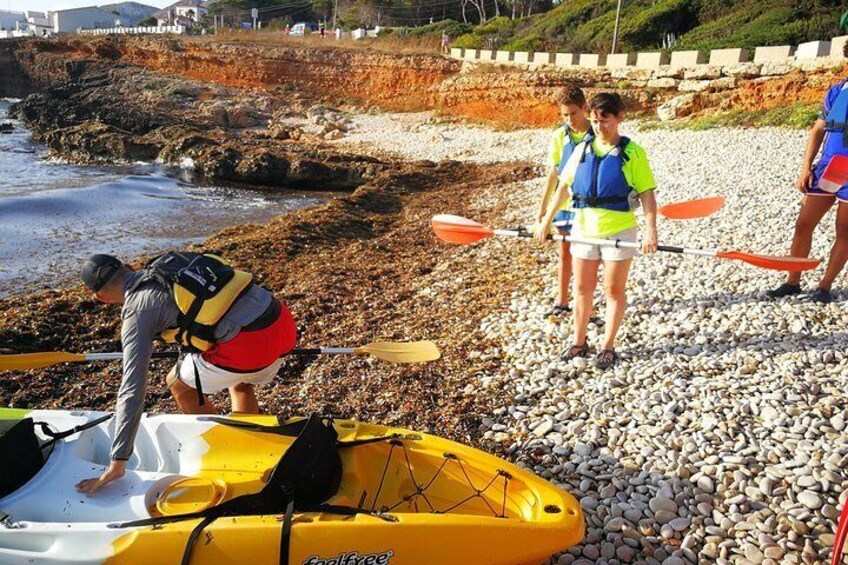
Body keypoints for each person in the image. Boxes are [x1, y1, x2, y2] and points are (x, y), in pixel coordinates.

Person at [75, 252, 297, 495]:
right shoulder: (171, 262)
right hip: (282, 325)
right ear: (130, 266)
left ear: (102, 297)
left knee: (178, 384)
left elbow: (132, 388)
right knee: (239, 381)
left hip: (250, 347)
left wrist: (118, 461)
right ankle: (249, 435)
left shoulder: (136, 311)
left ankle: (228, 448)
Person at [536, 93, 658, 370]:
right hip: (584, 231)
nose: (600, 127)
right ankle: (579, 341)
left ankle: (607, 346)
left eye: (605, 120)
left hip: (619, 233)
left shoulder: (632, 153)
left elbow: (647, 195)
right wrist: (544, 222)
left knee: (613, 291)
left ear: (618, 118)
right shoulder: (582, 150)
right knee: (581, 289)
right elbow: (564, 188)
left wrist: (651, 231)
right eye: (595, 121)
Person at [767, 45, 848, 303]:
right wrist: (806, 168)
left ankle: (824, 287)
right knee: (803, 224)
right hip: (829, 167)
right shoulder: (837, 91)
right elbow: (817, 130)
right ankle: (793, 281)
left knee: (844, 231)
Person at [535, 83, 593, 318]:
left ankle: (585, 300)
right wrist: (542, 210)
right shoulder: (559, 136)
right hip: (563, 205)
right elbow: (553, 173)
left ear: (584, 108)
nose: (570, 119)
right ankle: (561, 301)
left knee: (587, 256)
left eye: (574, 114)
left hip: (588, 207)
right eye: (564, 115)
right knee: (565, 252)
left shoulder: (597, 133)